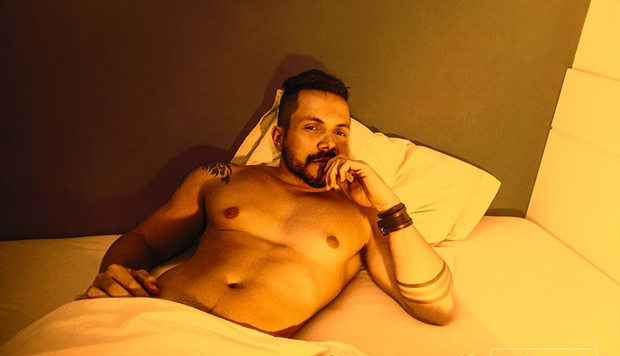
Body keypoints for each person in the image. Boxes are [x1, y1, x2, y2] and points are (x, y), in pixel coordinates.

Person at [76, 69, 454, 337]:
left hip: (246, 353)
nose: (330, 143)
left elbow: (435, 307)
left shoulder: (363, 213)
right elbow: (143, 239)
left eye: (341, 131)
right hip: (153, 320)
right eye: (312, 127)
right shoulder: (220, 178)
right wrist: (114, 276)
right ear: (278, 137)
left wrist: (388, 202)